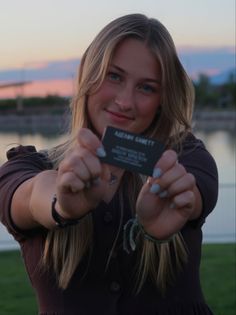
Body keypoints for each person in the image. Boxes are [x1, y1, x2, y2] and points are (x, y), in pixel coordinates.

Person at [0, 13, 218, 315]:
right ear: (88, 77)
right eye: (114, 76)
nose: (125, 101)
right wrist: (61, 204)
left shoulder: (185, 157)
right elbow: (29, 194)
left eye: (147, 87)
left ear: (162, 100)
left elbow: (195, 192)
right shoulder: (27, 166)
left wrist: (178, 198)